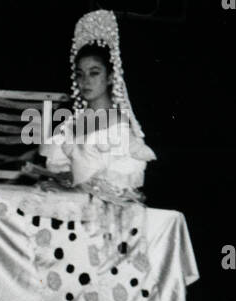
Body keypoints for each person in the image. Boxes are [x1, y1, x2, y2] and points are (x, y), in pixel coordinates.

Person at [39, 9, 155, 197]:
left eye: (94, 73)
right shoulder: (71, 123)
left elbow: (116, 191)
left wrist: (73, 187)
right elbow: (65, 172)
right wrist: (58, 181)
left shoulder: (119, 126)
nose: (86, 81)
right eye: (80, 74)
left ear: (110, 77)